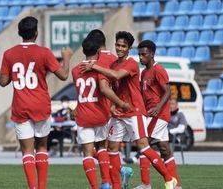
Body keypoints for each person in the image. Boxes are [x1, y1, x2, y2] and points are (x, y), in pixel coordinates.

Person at [80, 31, 177, 189]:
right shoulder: (112, 65)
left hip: (134, 111)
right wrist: (112, 106)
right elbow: (113, 87)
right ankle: (117, 186)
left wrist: (94, 66)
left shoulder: (131, 63)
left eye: (123, 46)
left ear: (129, 48)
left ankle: (168, 178)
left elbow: (117, 76)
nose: (119, 48)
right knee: (111, 148)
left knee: (143, 146)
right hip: (120, 112)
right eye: (118, 45)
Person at [0, 16, 72, 189]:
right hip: (40, 105)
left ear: (19, 33)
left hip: (20, 105)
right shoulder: (44, 52)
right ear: (36, 33)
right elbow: (63, 75)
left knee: (26, 150)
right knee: (41, 145)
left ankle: (32, 187)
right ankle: (42, 187)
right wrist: (66, 57)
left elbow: (3, 82)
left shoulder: (9, 54)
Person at [72, 36, 131, 189]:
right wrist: (119, 104)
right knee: (102, 148)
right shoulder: (99, 68)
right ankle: (106, 182)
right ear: (99, 51)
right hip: (100, 113)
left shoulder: (75, 70)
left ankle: (95, 186)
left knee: (87, 153)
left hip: (83, 114)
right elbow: (105, 89)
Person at [137, 40, 182, 189]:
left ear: (152, 54)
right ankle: (177, 185)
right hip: (150, 114)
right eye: (139, 55)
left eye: (143, 55)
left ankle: (146, 184)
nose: (141, 58)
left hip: (158, 114)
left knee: (144, 144)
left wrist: (157, 107)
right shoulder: (144, 72)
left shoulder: (158, 70)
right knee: (164, 149)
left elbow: (168, 91)